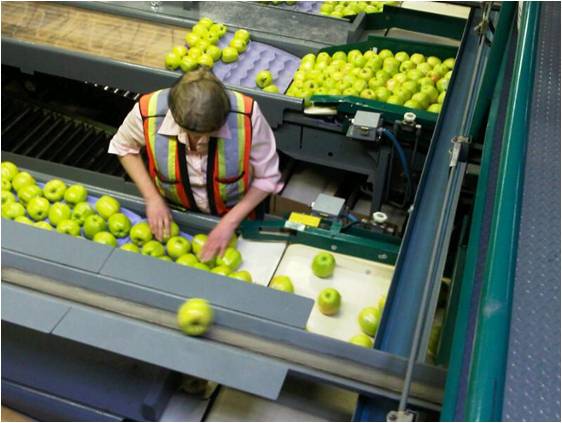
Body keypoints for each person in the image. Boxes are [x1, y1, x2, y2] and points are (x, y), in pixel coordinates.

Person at [108, 67, 283, 262]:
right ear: (174, 114)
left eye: (207, 135)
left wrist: (230, 222)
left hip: (236, 214)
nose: (197, 143)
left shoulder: (247, 115)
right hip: (174, 215)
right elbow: (123, 147)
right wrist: (152, 198)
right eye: (190, 133)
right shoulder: (149, 110)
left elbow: (267, 177)